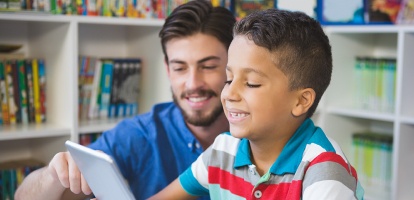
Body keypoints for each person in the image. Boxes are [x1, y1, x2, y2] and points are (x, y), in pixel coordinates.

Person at [14, 1, 236, 200]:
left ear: (233, 67)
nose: (192, 83)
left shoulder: (260, 131)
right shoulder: (141, 135)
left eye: (208, 66)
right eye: (180, 68)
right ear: (168, 70)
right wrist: (54, 175)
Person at [149, 9, 365, 200]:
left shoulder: (324, 173)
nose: (229, 94)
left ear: (301, 101)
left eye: (251, 84)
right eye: (228, 79)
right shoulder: (223, 152)